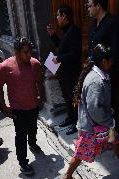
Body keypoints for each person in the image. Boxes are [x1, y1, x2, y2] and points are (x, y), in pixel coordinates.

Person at [61, 44, 119, 179]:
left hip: (100, 123)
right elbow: (94, 110)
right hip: (92, 127)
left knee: (114, 140)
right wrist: (109, 121)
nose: (112, 62)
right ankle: (67, 176)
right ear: (104, 61)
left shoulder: (98, 74)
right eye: (111, 60)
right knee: (81, 153)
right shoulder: (95, 81)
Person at [0, 37, 45, 176]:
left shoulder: (35, 64)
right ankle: (23, 162)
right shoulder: (5, 67)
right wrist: (4, 108)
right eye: (25, 52)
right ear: (16, 51)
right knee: (21, 135)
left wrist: (41, 98)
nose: (29, 55)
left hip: (33, 106)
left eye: (30, 52)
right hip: (18, 110)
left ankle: (33, 144)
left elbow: (40, 82)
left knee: (33, 128)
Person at [87, 0, 119, 128]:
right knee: (96, 104)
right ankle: (100, 134)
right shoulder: (93, 24)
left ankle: (112, 136)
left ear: (98, 6)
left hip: (107, 73)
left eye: (90, 6)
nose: (88, 8)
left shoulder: (113, 22)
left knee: (109, 105)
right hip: (93, 72)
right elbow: (91, 48)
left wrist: (109, 73)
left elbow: (116, 51)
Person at [47, 4, 82, 135]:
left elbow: (75, 53)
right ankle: (70, 118)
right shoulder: (66, 30)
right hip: (64, 73)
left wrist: (59, 58)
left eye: (58, 15)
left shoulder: (74, 31)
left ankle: (77, 123)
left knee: (73, 99)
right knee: (67, 98)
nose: (56, 18)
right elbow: (63, 47)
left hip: (71, 73)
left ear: (64, 16)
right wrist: (53, 35)